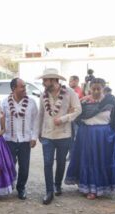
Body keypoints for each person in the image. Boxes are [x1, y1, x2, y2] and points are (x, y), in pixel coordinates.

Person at [65, 78, 115, 199]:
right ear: (89, 89)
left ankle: (100, 186)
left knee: (100, 161)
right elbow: (77, 117)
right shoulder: (84, 102)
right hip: (86, 135)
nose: (96, 91)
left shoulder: (110, 102)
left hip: (103, 136)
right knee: (88, 160)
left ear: (103, 89)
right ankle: (88, 187)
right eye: (93, 89)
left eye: (98, 89)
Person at [38, 68, 82, 205]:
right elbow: (41, 114)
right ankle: (49, 191)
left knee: (61, 162)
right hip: (47, 135)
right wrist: (38, 132)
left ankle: (57, 185)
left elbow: (78, 110)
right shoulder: (42, 95)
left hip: (64, 134)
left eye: (45, 80)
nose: (43, 82)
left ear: (54, 80)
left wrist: (63, 119)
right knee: (47, 163)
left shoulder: (69, 93)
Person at [2, 78, 39, 200]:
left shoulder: (32, 102)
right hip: (9, 139)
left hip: (25, 140)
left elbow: (35, 121)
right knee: (9, 165)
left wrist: (34, 137)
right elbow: (0, 122)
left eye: (25, 86)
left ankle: (21, 188)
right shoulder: (4, 103)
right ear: (14, 89)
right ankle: (9, 183)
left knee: (24, 166)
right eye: (22, 86)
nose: (25, 89)